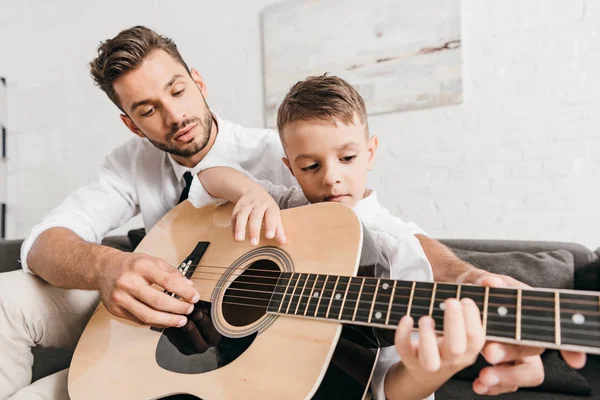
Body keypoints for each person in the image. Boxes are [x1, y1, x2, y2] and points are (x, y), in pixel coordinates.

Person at [0, 26, 583, 400]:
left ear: (197, 81)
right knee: (6, 295)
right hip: (137, 315)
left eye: (177, 90)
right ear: (130, 122)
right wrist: (107, 268)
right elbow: (44, 242)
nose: (172, 115)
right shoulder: (129, 163)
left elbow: (383, 232)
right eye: (148, 109)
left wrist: (469, 279)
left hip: (222, 360)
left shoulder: (290, 157)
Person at [196, 74, 487, 399]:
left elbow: (384, 385)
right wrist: (253, 193)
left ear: (370, 152)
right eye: (310, 167)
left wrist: (425, 374)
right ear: (290, 168)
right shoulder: (285, 205)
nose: (331, 178)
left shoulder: (393, 248)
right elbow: (209, 171)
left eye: (347, 158)